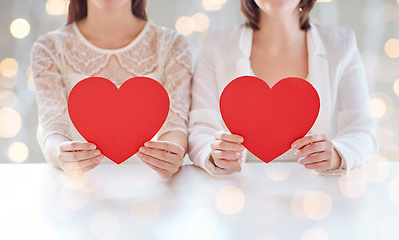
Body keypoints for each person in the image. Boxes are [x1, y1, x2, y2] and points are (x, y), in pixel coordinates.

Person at [188, 0, 378, 176]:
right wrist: (214, 153)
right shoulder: (217, 43)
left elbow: (361, 130)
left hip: (316, 196)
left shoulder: (342, 44)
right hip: (237, 193)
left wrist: (336, 154)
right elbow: (200, 127)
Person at [31, 0, 191, 178]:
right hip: (79, 186)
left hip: (151, 185)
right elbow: (53, 128)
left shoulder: (172, 45)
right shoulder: (49, 48)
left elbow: (175, 125)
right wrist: (63, 156)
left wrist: (170, 157)